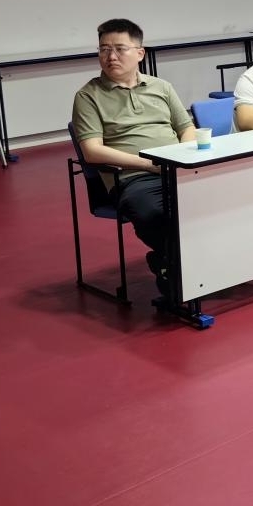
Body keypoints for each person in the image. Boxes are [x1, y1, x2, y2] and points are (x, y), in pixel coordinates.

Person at [72, 18, 195, 299]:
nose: (111, 56)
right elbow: (92, 150)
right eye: (104, 49)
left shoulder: (161, 87)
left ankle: (173, 263)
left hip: (176, 169)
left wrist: (183, 157)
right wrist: (148, 164)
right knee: (153, 212)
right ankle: (177, 265)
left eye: (119, 49)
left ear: (140, 53)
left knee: (217, 200)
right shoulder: (88, 96)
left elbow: (186, 127)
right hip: (132, 177)